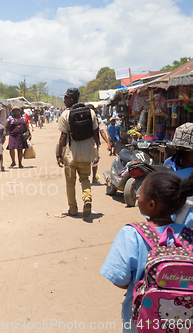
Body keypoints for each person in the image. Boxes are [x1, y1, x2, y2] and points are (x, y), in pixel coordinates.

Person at [100, 172, 193, 333]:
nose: (137, 197)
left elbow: (120, 280)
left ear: (151, 205)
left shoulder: (131, 234)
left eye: (140, 193)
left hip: (140, 322)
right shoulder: (189, 235)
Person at [56, 87, 100, 218]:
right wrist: (96, 149)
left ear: (71, 99)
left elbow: (63, 137)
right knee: (85, 178)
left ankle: (73, 209)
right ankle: (87, 199)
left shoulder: (65, 114)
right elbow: (95, 133)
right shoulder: (91, 113)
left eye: (65, 98)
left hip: (71, 154)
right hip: (86, 154)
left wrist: (59, 155)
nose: (64, 101)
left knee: (70, 182)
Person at [92, 108, 112, 183]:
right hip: (94, 143)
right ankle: (92, 178)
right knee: (94, 161)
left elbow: (102, 132)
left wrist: (107, 142)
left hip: (88, 144)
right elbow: (102, 132)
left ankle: (88, 178)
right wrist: (107, 142)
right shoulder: (98, 120)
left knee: (91, 161)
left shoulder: (97, 120)